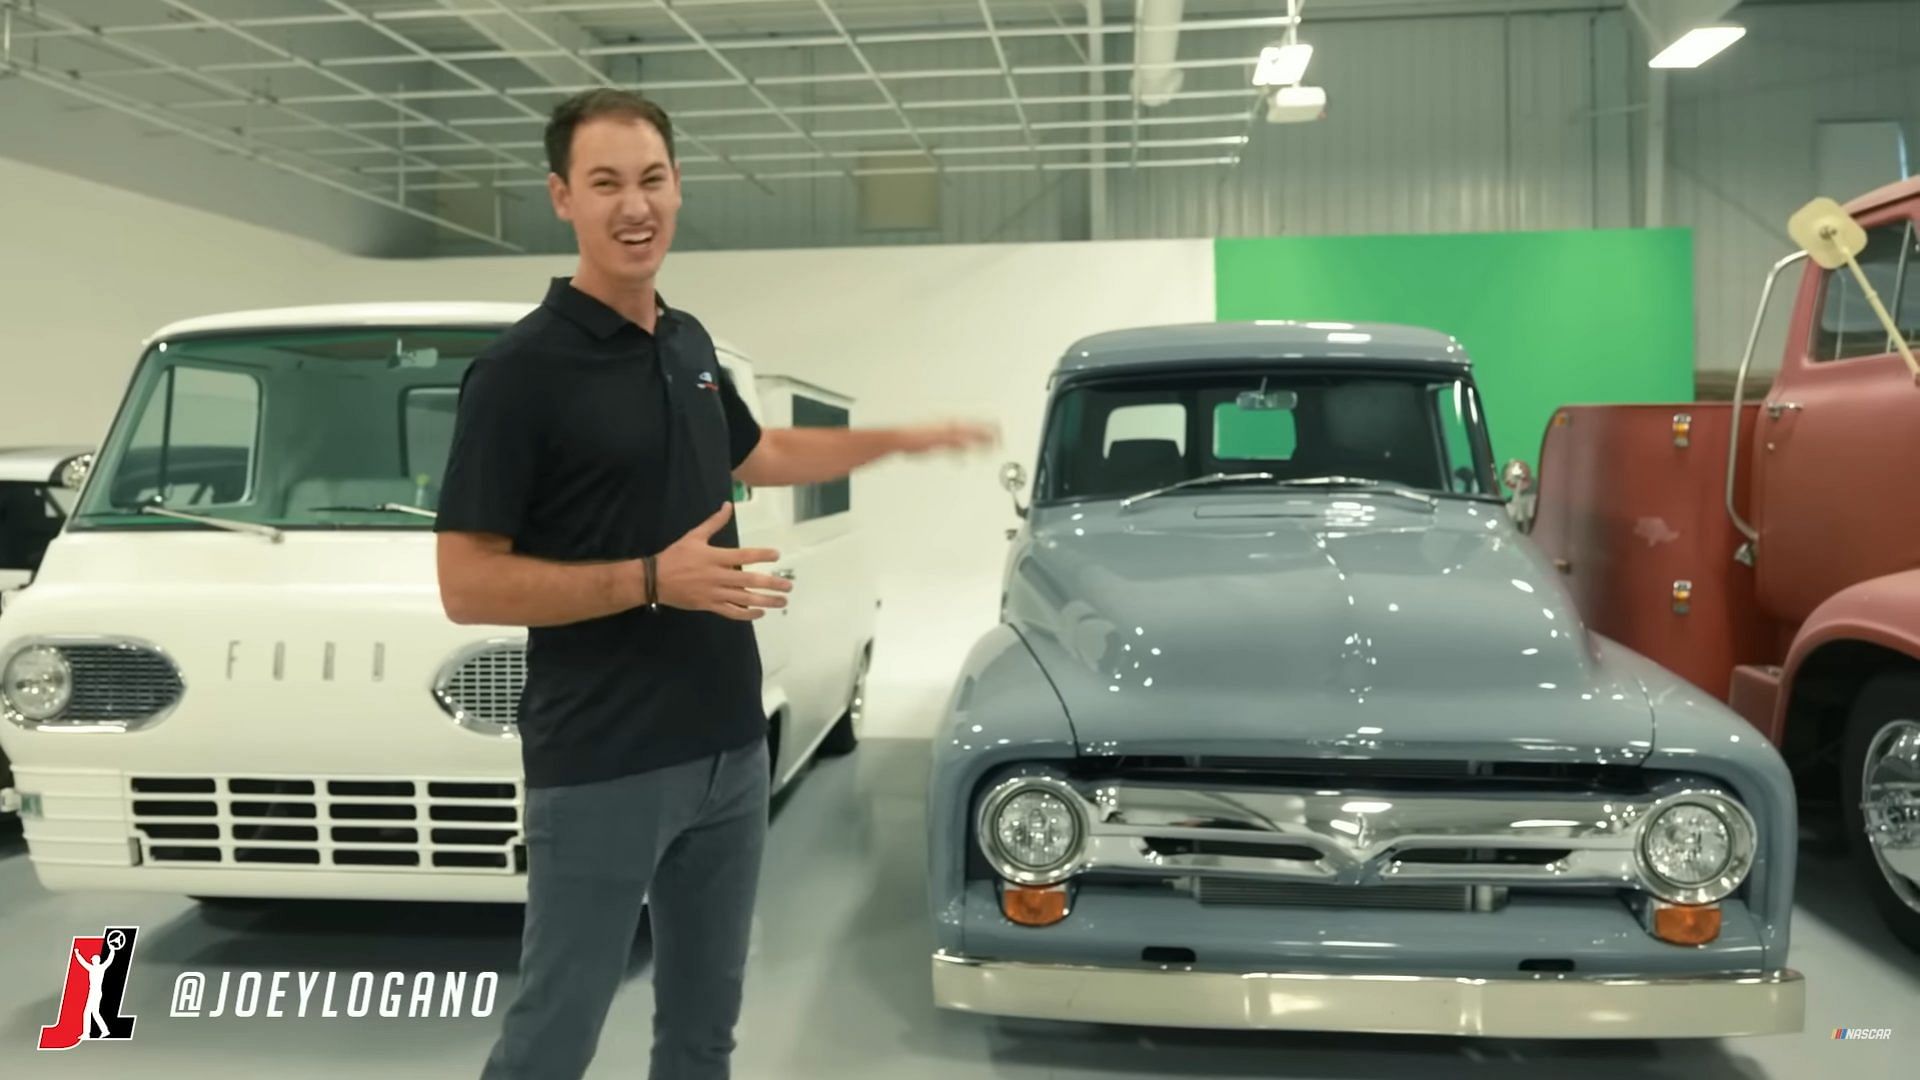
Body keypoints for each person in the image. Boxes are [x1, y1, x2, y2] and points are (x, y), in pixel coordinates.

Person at [434, 88, 994, 1080]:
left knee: (702, 1034)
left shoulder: (687, 344)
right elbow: (468, 584)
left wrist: (900, 439)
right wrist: (657, 579)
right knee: (552, 1037)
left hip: (730, 750)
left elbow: (763, 447)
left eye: (651, 179)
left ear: (679, 188)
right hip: (605, 760)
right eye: (605, 183)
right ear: (562, 198)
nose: (633, 205)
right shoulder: (520, 373)